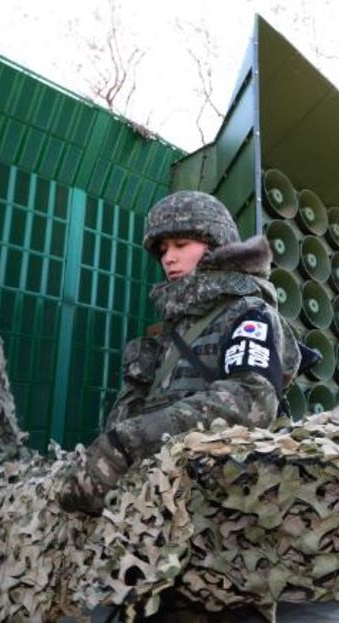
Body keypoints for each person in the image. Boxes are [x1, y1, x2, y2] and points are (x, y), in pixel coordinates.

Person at [60, 190, 302, 514]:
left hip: (230, 509)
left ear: (215, 245)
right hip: (161, 503)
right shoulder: (170, 333)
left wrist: (127, 443)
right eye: (162, 250)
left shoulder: (249, 312)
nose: (168, 258)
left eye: (181, 245)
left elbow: (250, 400)